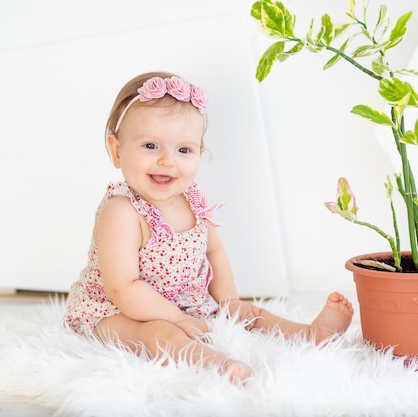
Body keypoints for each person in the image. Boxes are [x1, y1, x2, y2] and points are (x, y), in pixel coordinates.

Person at [64, 71, 354, 384]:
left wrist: (229, 302)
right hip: (113, 311)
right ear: (117, 150)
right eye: (150, 145)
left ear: (199, 154)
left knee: (249, 314)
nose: (167, 161)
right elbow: (123, 287)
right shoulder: (121, 211)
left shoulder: (192, 201)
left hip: (186, 303)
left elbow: (213, 250)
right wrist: (176, 318)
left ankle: (310, 334)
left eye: (183, 150)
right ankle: (214, 364)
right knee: (156, 332)